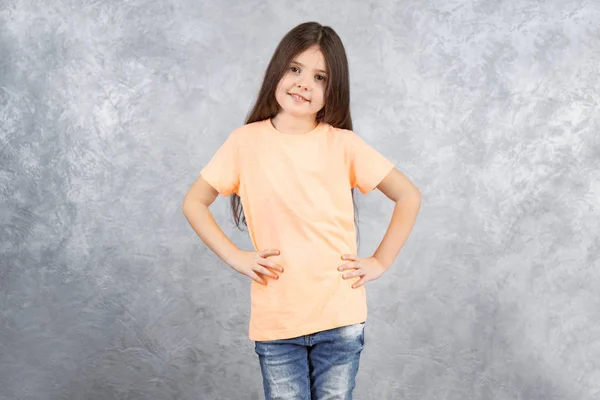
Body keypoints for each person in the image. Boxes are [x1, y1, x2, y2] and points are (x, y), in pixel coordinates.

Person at [182, 21, 422, 400]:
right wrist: (235, 257)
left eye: (320, 77)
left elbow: (409, 195)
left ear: (333, 89)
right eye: (295, 69)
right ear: (277, 70)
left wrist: (379, 261)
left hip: (339, 316)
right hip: (277, 322)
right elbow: (193, 201)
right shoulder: (244, 143)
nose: (303, 83)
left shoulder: (344, 145)